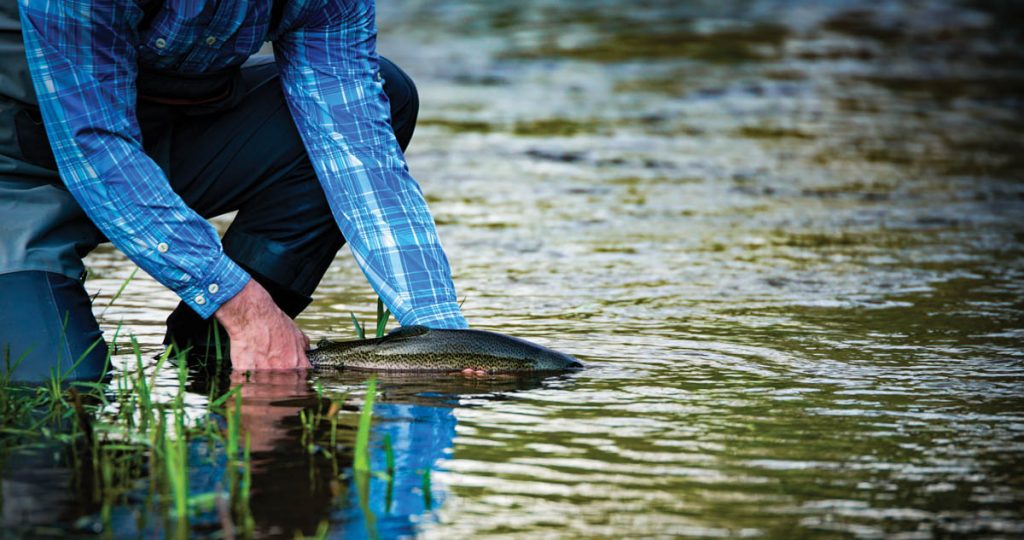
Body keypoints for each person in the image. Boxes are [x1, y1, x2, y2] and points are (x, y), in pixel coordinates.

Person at [0, 0, 467, 383]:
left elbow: (358, 151)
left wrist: (442, 339)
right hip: (19, 176)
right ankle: (243, 324)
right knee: (59, 393)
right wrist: (242, 305)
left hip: (163, 144)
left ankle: (212, 349)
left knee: (389, 91)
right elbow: (97, 145)